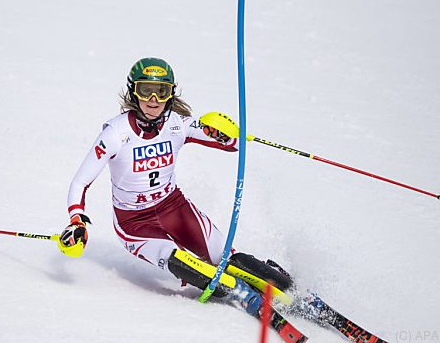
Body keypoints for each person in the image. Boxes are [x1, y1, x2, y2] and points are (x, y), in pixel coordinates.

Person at [59, 57, 292, 316]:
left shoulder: (176, 123)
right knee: (179, 260)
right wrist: (76, 221)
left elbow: (234, 144)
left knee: (223, 257)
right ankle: (239, 293)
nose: (154, 99)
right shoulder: (115, 133)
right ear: (133, 91)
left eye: (162, 91)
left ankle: (289, 289)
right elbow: (81, 181)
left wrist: (225, 131)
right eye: (146, 90)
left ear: (171, 94)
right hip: (135, 224)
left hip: (174, 208)